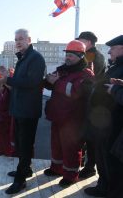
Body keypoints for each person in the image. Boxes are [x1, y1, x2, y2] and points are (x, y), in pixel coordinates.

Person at [0, 28, 46, 194]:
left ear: (29, 39)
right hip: (18, 109)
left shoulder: (36, 58)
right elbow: (18, 83)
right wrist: (7, 76)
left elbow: (32, 82)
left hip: (28, 110)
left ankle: (20, 181)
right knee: (20, 143)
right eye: (16, 39)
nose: (18, 42)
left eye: (21, 38)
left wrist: (8, 79)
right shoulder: (23, 58)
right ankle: (25, 170)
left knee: (24, 145)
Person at [43, 40, 94, 187]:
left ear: (80, 56)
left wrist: (57, 82)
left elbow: (76, 92)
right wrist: (47, 80)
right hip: (58, 115)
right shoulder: (63, 69)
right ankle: (57, 168)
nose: (68, 58)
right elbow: (51, 83)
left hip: (73, 120)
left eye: (71, 55)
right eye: (67, 54)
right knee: (56, 145)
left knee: (71, 149)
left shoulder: (86, 73)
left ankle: (71, 176)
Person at [84, 35, 123, 197]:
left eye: (113, 48)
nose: (109, 51)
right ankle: (104, 185)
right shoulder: (115, 66)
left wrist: (114, 90)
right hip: (103, 119)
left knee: (109, 158)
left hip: (113, 121)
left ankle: (109, 189)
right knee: (101, 154)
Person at [76, 31, 107, 179]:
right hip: (87, 102)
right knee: (86, 136)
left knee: (92, 138)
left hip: (94, 104)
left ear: (88, 42)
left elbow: (92, 79)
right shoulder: (89, 55)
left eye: (81, 40)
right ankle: (84, 164)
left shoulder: (94, 56)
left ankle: (90, 168)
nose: (79, 42)